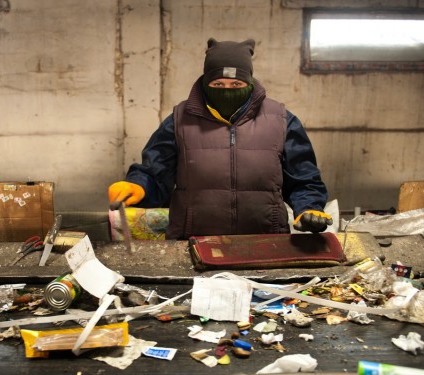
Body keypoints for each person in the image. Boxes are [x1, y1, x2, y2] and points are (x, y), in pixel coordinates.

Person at [108, 38, 333, 240]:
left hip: (264, 240)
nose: (227, 90)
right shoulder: (179, 120)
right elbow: (156, 171)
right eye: (218, 85)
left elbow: (303, 178)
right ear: (206, 83)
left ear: (249, 83)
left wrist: (309, 207)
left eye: (236, 85)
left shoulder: (281, 120)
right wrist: (139, 185)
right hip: (193, 241)